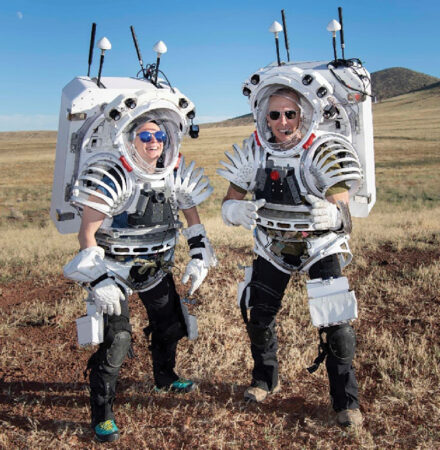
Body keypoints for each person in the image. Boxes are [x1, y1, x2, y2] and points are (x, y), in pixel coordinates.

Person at [64, 115, 216, 443]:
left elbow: (193, 221)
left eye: (159, 134)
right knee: (117, 341)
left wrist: (199, 254)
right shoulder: (112, 177)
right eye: (144, 135)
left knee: (172, 324)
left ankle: (165, 376)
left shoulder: (174, 173)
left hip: (154, 267)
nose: (153, 141)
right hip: (114, 270)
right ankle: (102, 413)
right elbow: (87, 234)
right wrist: (99, 279)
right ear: (128, 138)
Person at [218, 86, 363, 428]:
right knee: (259, 317)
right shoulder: (253, 152)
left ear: (303, 115)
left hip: (319, 248)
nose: (282, 121)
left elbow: (346, 215)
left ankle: (346, 402)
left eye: (290, 113)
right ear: (264, 117)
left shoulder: (322, 151)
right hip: (272, 247)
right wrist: (233, 210)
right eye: (275, 114)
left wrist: (335, 217)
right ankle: (265, 379)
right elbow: (228, 200)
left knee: (337, 327)